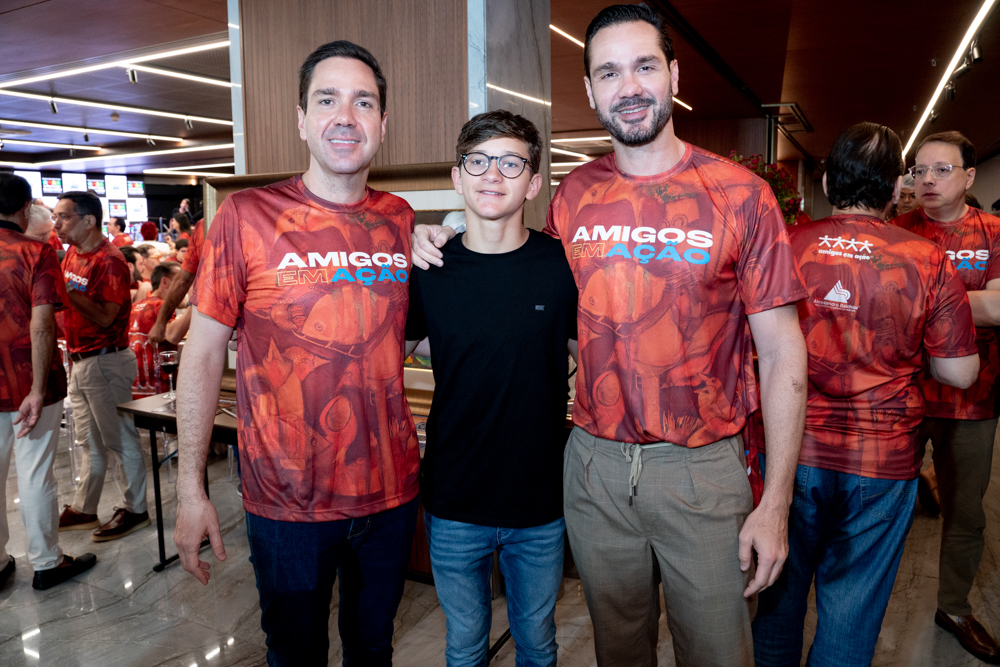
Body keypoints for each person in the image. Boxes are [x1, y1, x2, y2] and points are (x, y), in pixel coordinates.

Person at [413, 5, 809, 665]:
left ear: (673, 74)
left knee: (717, 651)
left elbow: (783, 354)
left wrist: (776, 501)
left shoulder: (742, 195)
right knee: (619, 650)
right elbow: (521, 287)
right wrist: (439, 234)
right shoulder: (574, 194)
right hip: (592, 466)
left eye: (644, 66)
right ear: (592, 90)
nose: (629, 86)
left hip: (702, 467)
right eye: (609, 72)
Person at [174, 40, 419, 666]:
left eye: (363, 102)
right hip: (287, 501)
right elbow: (201, 354)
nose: (346, 116)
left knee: (373, 649)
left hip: (389, 496)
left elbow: (402, 336)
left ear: (383, 124)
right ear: (301, 120)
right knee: (294, 653)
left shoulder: (400, 219)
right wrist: (188, 488)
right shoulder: (246, 215)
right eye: (327, 100)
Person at [751, 122, 980, 667]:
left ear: (829, 180)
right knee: (851, 613)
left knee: (776, 601)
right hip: (882, 462)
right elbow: (961, 373)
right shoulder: (927, 259)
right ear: (895, 189)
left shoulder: (788, 244)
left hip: (791, 453)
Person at [405, 110, 578, 666]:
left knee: (537, 643)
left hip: (541, 498)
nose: (492, 175)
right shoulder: (429, 267)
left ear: (532, 183)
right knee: (464, 646)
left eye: (510, 163)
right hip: (455, 496)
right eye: (477, 161)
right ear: (458, 177)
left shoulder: (561, 265)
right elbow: (383, 357)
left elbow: (595, 356)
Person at [894, 130, 1000, 664]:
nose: (926, 181)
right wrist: (969, 300)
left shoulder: (995, 231)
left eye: (940, 170)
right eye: (919, 171)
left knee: (966, 512)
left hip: (974, 400)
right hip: (903, 395)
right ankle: (868, 598)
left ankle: (954, 607)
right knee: (884, 506)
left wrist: (919, 302)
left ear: (969, 177)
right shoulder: (895, 231)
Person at [0, 174, 97, 591]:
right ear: (24, 209)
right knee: (36, 472)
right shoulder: (36, 252)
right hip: (28, 378)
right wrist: (38, 389)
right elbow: (42, 325)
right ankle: (46, 561)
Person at [52, 190, 151, 543]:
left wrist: (67, 293)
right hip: (80, 360)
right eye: (55, 217)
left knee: (120, 439)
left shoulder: (108, 260)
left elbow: (108, 317)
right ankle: (85, 506)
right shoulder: (71, 256)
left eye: (63, 217)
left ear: (89, 220)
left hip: (105, 360)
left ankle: (136, 508)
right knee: (88, 441)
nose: (57, 224)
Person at [128, 261, 192, 395]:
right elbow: (174, 335)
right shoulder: (160, 306)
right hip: (159, 388)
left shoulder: (135, 306)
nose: (184, 288)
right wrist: (193, 304)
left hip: (136, 386)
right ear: (165, 281)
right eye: (180, 282)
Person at [148, 218, 204, 345]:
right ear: (165, 281)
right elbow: (173, 335)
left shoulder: (148, 302)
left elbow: (183, 282)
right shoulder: (157, 304)